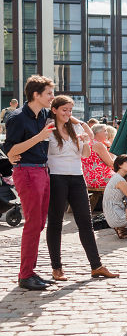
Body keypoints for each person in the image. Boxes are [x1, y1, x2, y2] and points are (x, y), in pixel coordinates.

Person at [45, 94, 118, 281]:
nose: (68, 114)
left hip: (77, 178)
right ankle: (57, 267)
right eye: (64, 110)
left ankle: (96, 265)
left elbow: (85, 155)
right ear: (54, 110)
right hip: (56, 177)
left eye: (70, 110)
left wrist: (85, 141)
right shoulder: (48, 128)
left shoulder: (75, 127)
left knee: (86, 222)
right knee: (55, 222)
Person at [4, 75, 56, 290]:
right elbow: (11, 151)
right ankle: (25, 275)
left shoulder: (44, 113)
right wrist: (40, 135)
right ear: (36, 95)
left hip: (43, 171)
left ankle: (30, 272)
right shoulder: (17, 118)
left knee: (39, 224)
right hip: (26, 172)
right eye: (49, 93)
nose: (53, 97)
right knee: (33, 225)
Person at [82, 123, 116, 188]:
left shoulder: (88, 143)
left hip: (87, 179)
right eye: (105, 131)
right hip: (99, 178)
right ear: (97, 133)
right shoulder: (98, 145)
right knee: (122, 180)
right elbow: (110, 163)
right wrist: (110, 147)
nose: (107, 133)